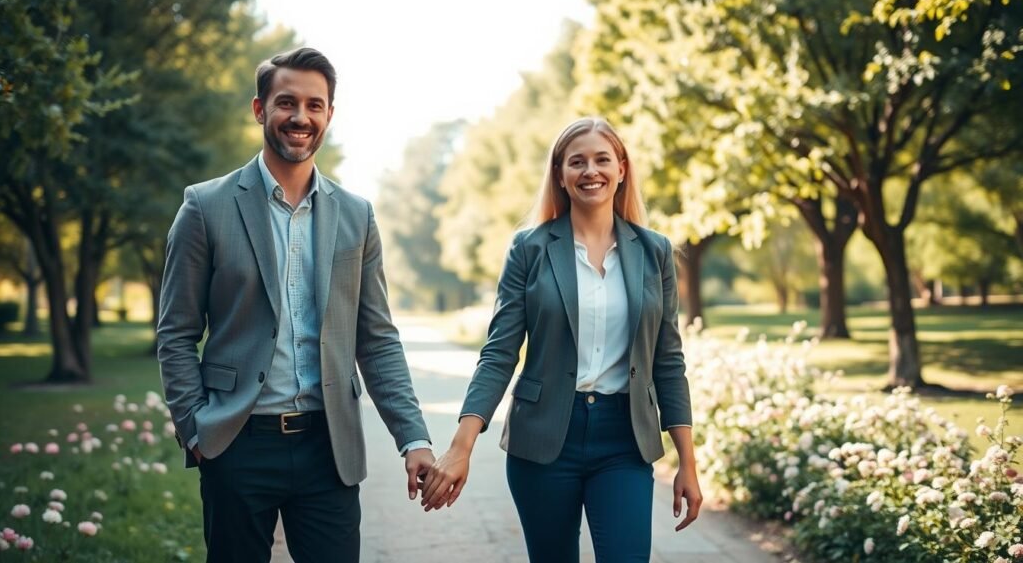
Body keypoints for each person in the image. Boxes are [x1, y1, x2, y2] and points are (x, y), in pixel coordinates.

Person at [157, 47, 434, 563]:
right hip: (237, 443)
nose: (300, 117)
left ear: (329, 114)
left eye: (315, 105)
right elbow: (175, 331)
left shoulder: (357, 215)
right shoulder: (205, 206)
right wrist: (195, 429)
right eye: (287, 103)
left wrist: (412, 437)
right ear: (261, 109)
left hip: (328, 450)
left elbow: (376, 340)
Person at [421, 116, 702, 562]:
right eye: (577, 162)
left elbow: (667, 360)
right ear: (560, 175)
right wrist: (461, 446)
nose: (590, 171)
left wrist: (687, 461)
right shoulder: (528, 249)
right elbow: (499, 353)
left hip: (624, 439)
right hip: (544, 440)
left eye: (602, 159)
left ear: (622, 168)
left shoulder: (655, 251)